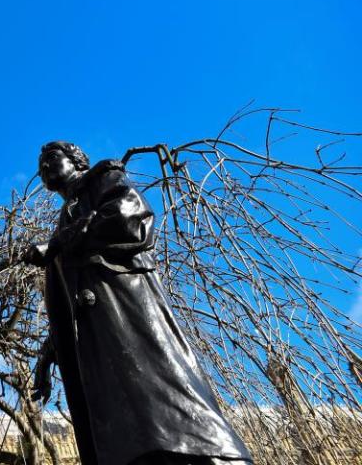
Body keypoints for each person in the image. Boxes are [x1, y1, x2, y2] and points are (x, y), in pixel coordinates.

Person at [21, 141, 252, 465]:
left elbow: (131, 217)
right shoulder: (66, 214)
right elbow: (70, 299)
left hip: (127, 311)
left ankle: (211, 453)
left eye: (52, 158)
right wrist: (47, 359)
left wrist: (59, 242)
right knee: (126, 432)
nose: (45, 166)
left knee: (166, 407)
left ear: (76, 160)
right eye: (41, 164)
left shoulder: (103, 177)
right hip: (97, 339)